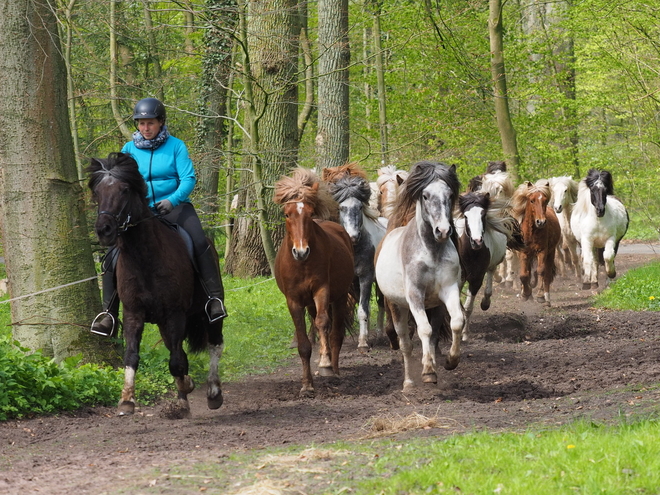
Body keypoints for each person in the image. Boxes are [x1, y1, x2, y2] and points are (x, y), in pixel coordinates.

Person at [91, 97, 227, 336]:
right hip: (139, 214)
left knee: (198, 243)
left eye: (150, 123)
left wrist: (172, 200)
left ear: (161, 122)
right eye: (141, 123)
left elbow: (188, 179)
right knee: (114, 253)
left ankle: (213, 300)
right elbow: (120, 183)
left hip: (175, 207)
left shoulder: (176, 146)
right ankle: (108, 313)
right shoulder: (128, 150)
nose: (145, 128)